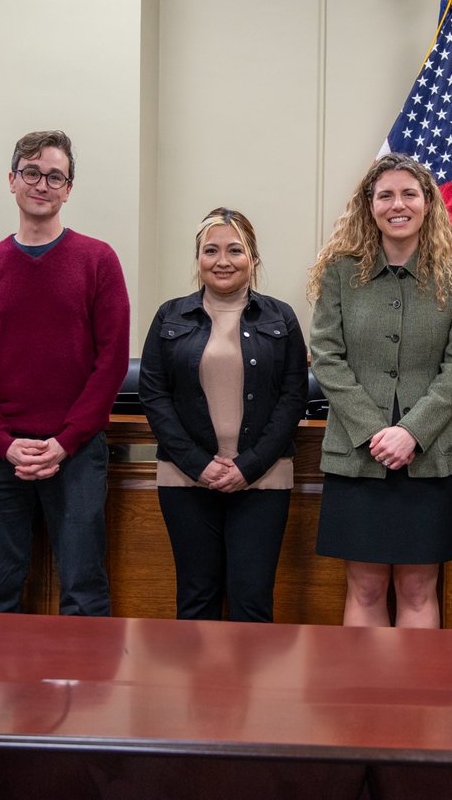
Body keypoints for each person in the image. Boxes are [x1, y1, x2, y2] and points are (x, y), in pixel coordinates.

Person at [0, 130, 130, 616]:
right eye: (31, 173)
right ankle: (2, 694)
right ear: (12, 180)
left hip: (76, 453)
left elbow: (112, 361)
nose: (42, 184)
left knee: (84, 588)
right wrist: (2, 441)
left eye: (55, 176)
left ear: (69, 189)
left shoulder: (98, 260)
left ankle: (85, 693)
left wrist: (66, 440)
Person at [308, 152, 452, 629]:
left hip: (427, 458)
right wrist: (373, 431)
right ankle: (364, 705)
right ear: (370, 204)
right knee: (364, 588)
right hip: (357, 454)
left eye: (409, 193)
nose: (397, 204)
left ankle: (416, 704)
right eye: (386, 195)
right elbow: (326, 356)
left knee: (419, 590)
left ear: (427, 203)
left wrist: (410, 433)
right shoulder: (340, 272)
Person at [139, 207, 308, 622]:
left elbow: (293, 397)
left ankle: (247, 690)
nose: (222, 260)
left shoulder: (280, 317)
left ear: (253, 258)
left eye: (235, 250)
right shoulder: (170, 316)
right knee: (196, 599)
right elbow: (154, 394)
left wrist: (247, 467)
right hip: (185, 479)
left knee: (252, 602)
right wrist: (199, 465)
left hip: (263, 480)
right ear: (198, 258)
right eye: (210, 250)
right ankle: (198, 690)